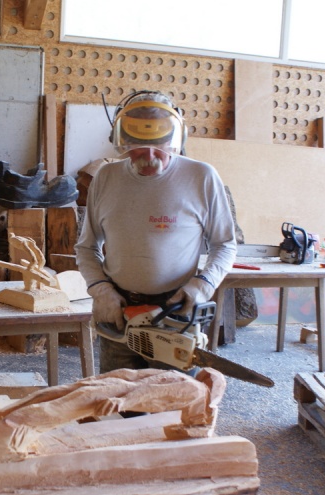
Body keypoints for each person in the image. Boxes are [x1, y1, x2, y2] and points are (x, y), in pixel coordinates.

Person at [75, 90, 237, 373]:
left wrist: (204, 284)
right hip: (119, 312)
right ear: (121, 140)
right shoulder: (106, 178)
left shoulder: (201, 177)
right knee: (118, 395)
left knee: (173, 396)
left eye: (159, 145)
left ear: (176, 139)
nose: (149, 156)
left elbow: (224, 244)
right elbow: (87, 247)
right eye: (137, 146)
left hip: (175, 312)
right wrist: (101, 290)